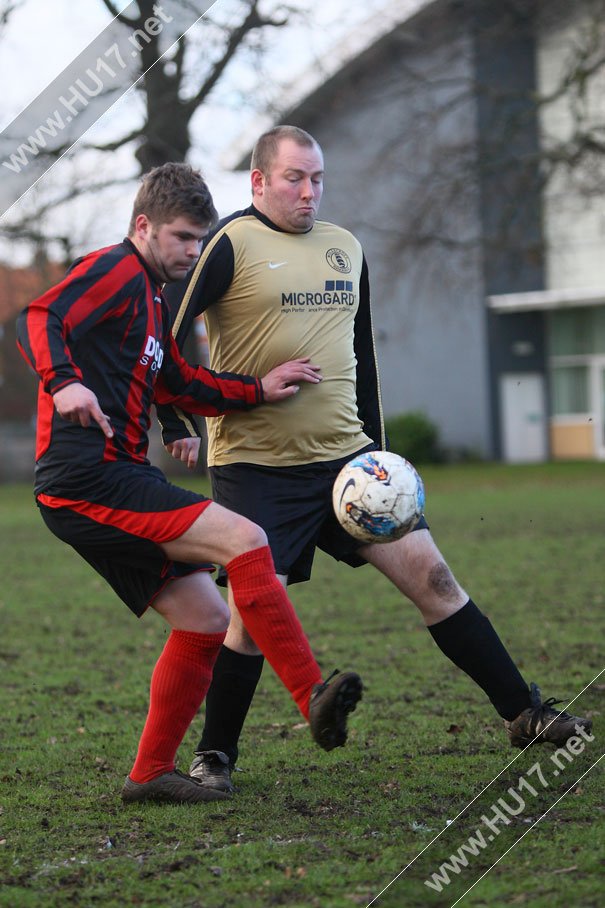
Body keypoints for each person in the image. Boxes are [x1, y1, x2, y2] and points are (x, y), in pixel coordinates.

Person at [159, 127, 592, 794]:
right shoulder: (228, 243)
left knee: (434, 579)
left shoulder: (345, 248)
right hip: (256, 470)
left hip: (349, 468)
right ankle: (214, 755)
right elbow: (166, 327)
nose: (308, 191)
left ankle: (521, 711)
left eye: (317, 179)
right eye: (293, 178)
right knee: (250, 617)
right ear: (257, 182)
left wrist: (381, 454)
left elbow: (361, 365)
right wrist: (175, 417)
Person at [16, 161, 363, 806]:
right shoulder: (117, 269)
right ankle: (312, 692)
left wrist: (258, 389)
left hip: (113, 478)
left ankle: (150, 774)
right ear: (143, 226)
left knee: (205, 618)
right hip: (87, 479)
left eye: (201, 241)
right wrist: (62, 380)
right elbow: (39, 316)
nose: (193, 252)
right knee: (246, 539)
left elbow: (180, 382)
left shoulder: (152, 299)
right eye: (182, 238)